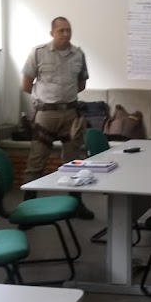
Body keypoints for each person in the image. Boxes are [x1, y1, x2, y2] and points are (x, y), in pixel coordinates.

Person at [22, 16, 94, 219]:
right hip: (46, 114)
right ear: (52, 33)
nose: (66, 34)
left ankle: (76, 204)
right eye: (61, 30)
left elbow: (81, 84)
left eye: (68, 30)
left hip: (71, 114)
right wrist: (46, 97)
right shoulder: (39, 53)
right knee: (36, 161)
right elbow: (26, 84)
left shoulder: (78, 54)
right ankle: (27, 209)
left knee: (76, 162)